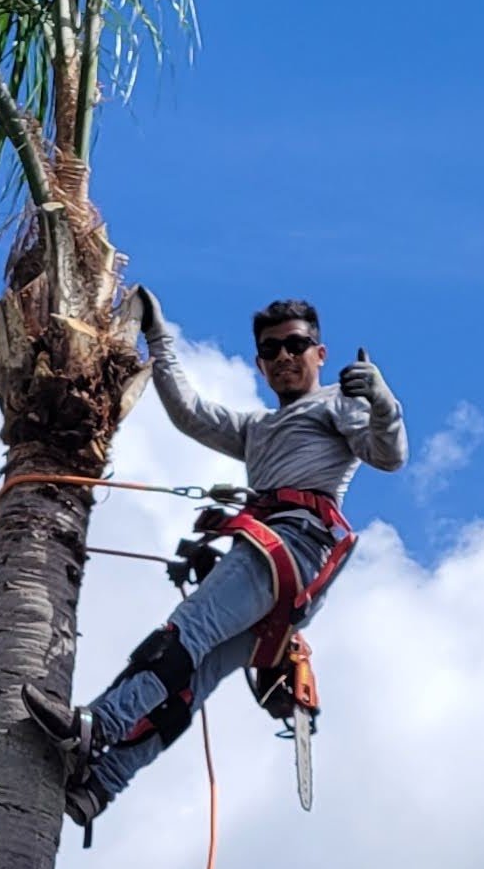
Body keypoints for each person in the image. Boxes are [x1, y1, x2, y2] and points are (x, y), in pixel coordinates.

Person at [23, 292, 406, 829]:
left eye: (296, 346)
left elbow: (387, 455)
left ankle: (100, 725)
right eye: (271, 350)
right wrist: (158, 337)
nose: (284, 358)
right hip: (282, 571)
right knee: (192, 677)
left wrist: (384, 404)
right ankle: (102, 785)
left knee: (185, 635)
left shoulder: (336, 406)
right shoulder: (256, 429)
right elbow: (190, 413)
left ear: (320, 354)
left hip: (289, 548)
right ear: (259, 363)